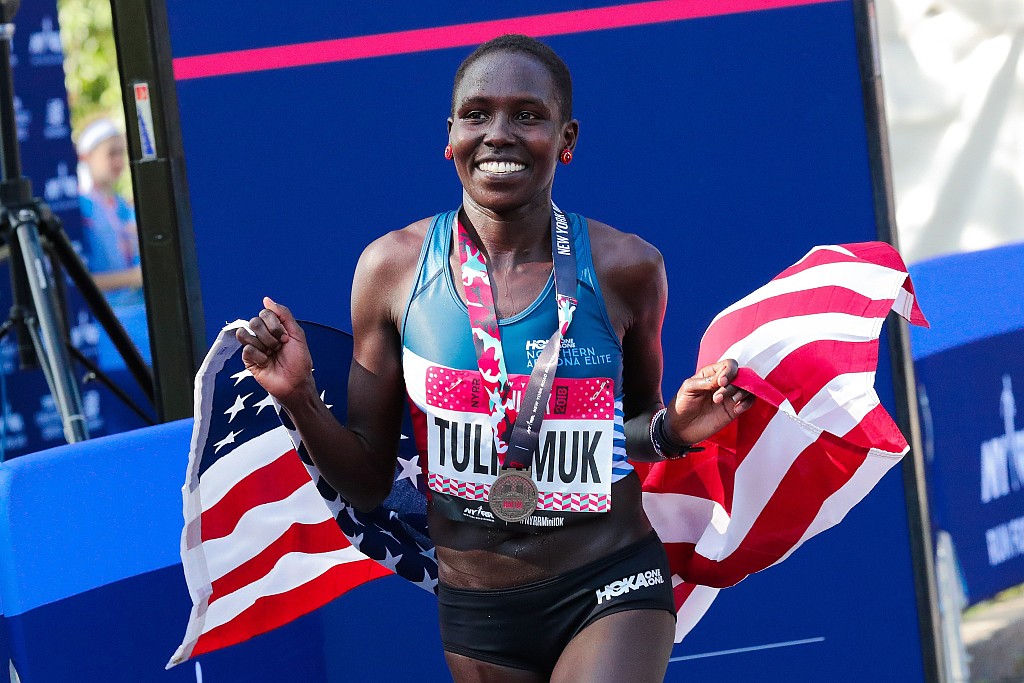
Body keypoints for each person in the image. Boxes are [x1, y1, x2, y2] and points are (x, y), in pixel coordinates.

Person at [237, 34, 753, 683]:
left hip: (611, 580)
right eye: (477, 114)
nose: (499, 134)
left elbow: (630, 434)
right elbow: (367, 482)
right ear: (450, 136)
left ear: (566, 138)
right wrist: (298, 397)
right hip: (479, 613)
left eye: (527, 115)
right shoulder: (391, 270)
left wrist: (674, 427)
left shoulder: (627, 267)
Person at [76, 117, 150, 366]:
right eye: (111, 153)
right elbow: (78, 281)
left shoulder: (122, 206)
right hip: (104, 325)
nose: (119, 161)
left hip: (138, 319)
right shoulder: (80, 210)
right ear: (87, 156)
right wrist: (133, 278)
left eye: (122, 153)